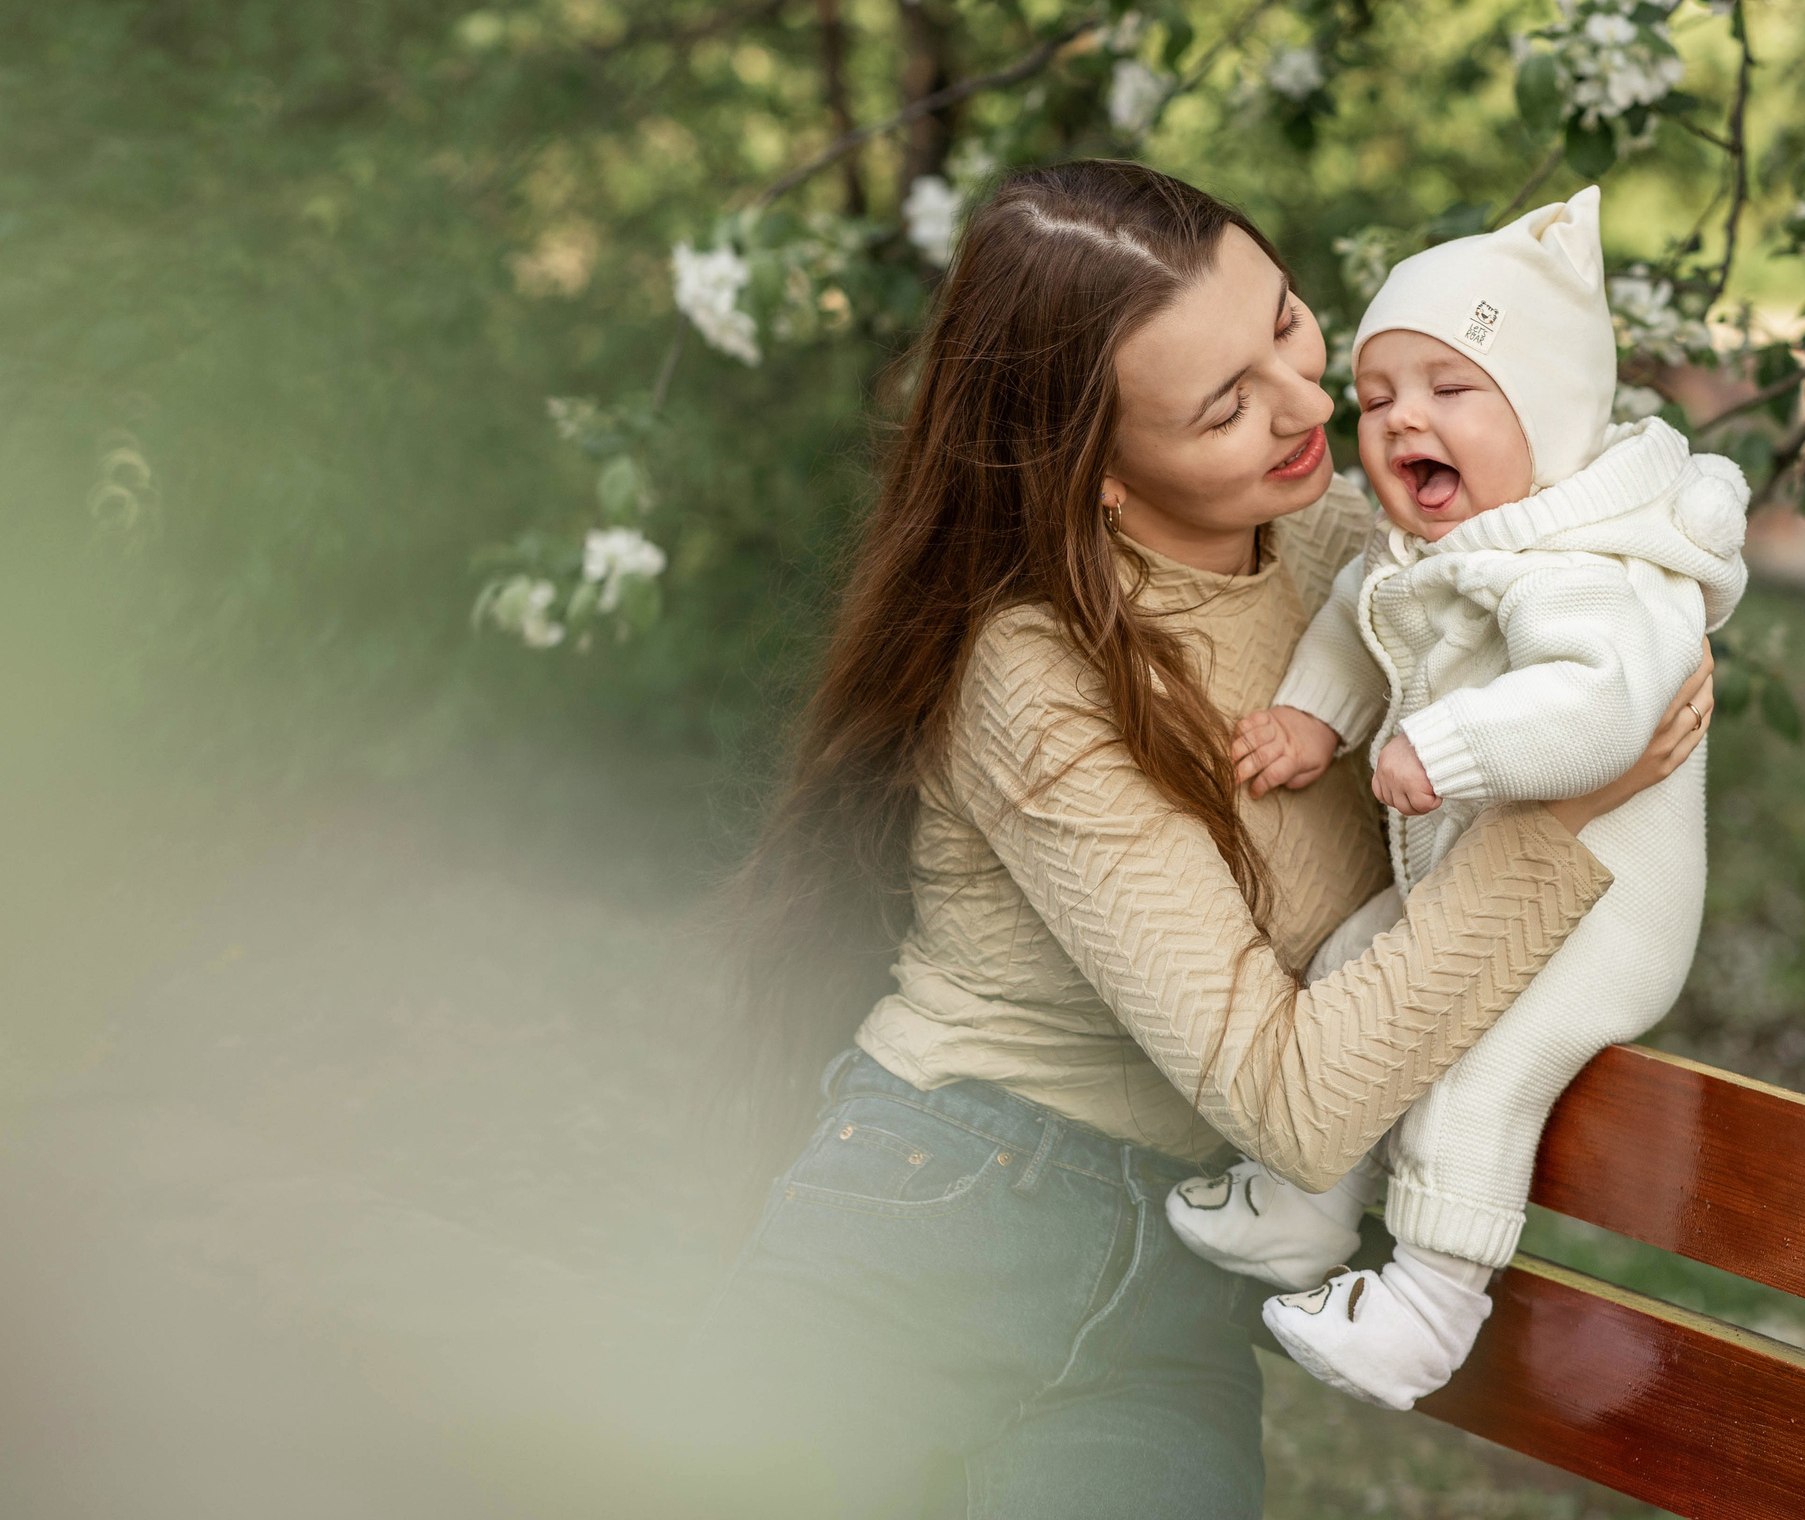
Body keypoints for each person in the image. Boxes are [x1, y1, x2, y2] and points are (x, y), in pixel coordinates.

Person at [689, 159, 1715, 1518]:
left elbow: (1579, 569)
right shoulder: (1037, 670)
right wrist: (1566, 813)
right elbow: (1294, 1101)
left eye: (1290, 325)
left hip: (1173, 1282)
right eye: (1226, 405)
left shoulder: (1358, 550)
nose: (1309, 407)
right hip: (953, 1213)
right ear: (1097, 473)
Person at [1162, 186, 1748, 1409]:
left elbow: (1606, 706)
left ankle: (1427, 1312)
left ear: (1549, 415)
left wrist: (1456, 748)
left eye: (1448, 390)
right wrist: (1314, 720)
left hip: (1600, 915)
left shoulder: (1592, 570)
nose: (1398, 421)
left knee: (1484, 1074)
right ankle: (1305, 1208)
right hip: (1485, 888)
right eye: (1378, 398)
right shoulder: (1440, 548)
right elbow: (1356, 617)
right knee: (1349, 965)